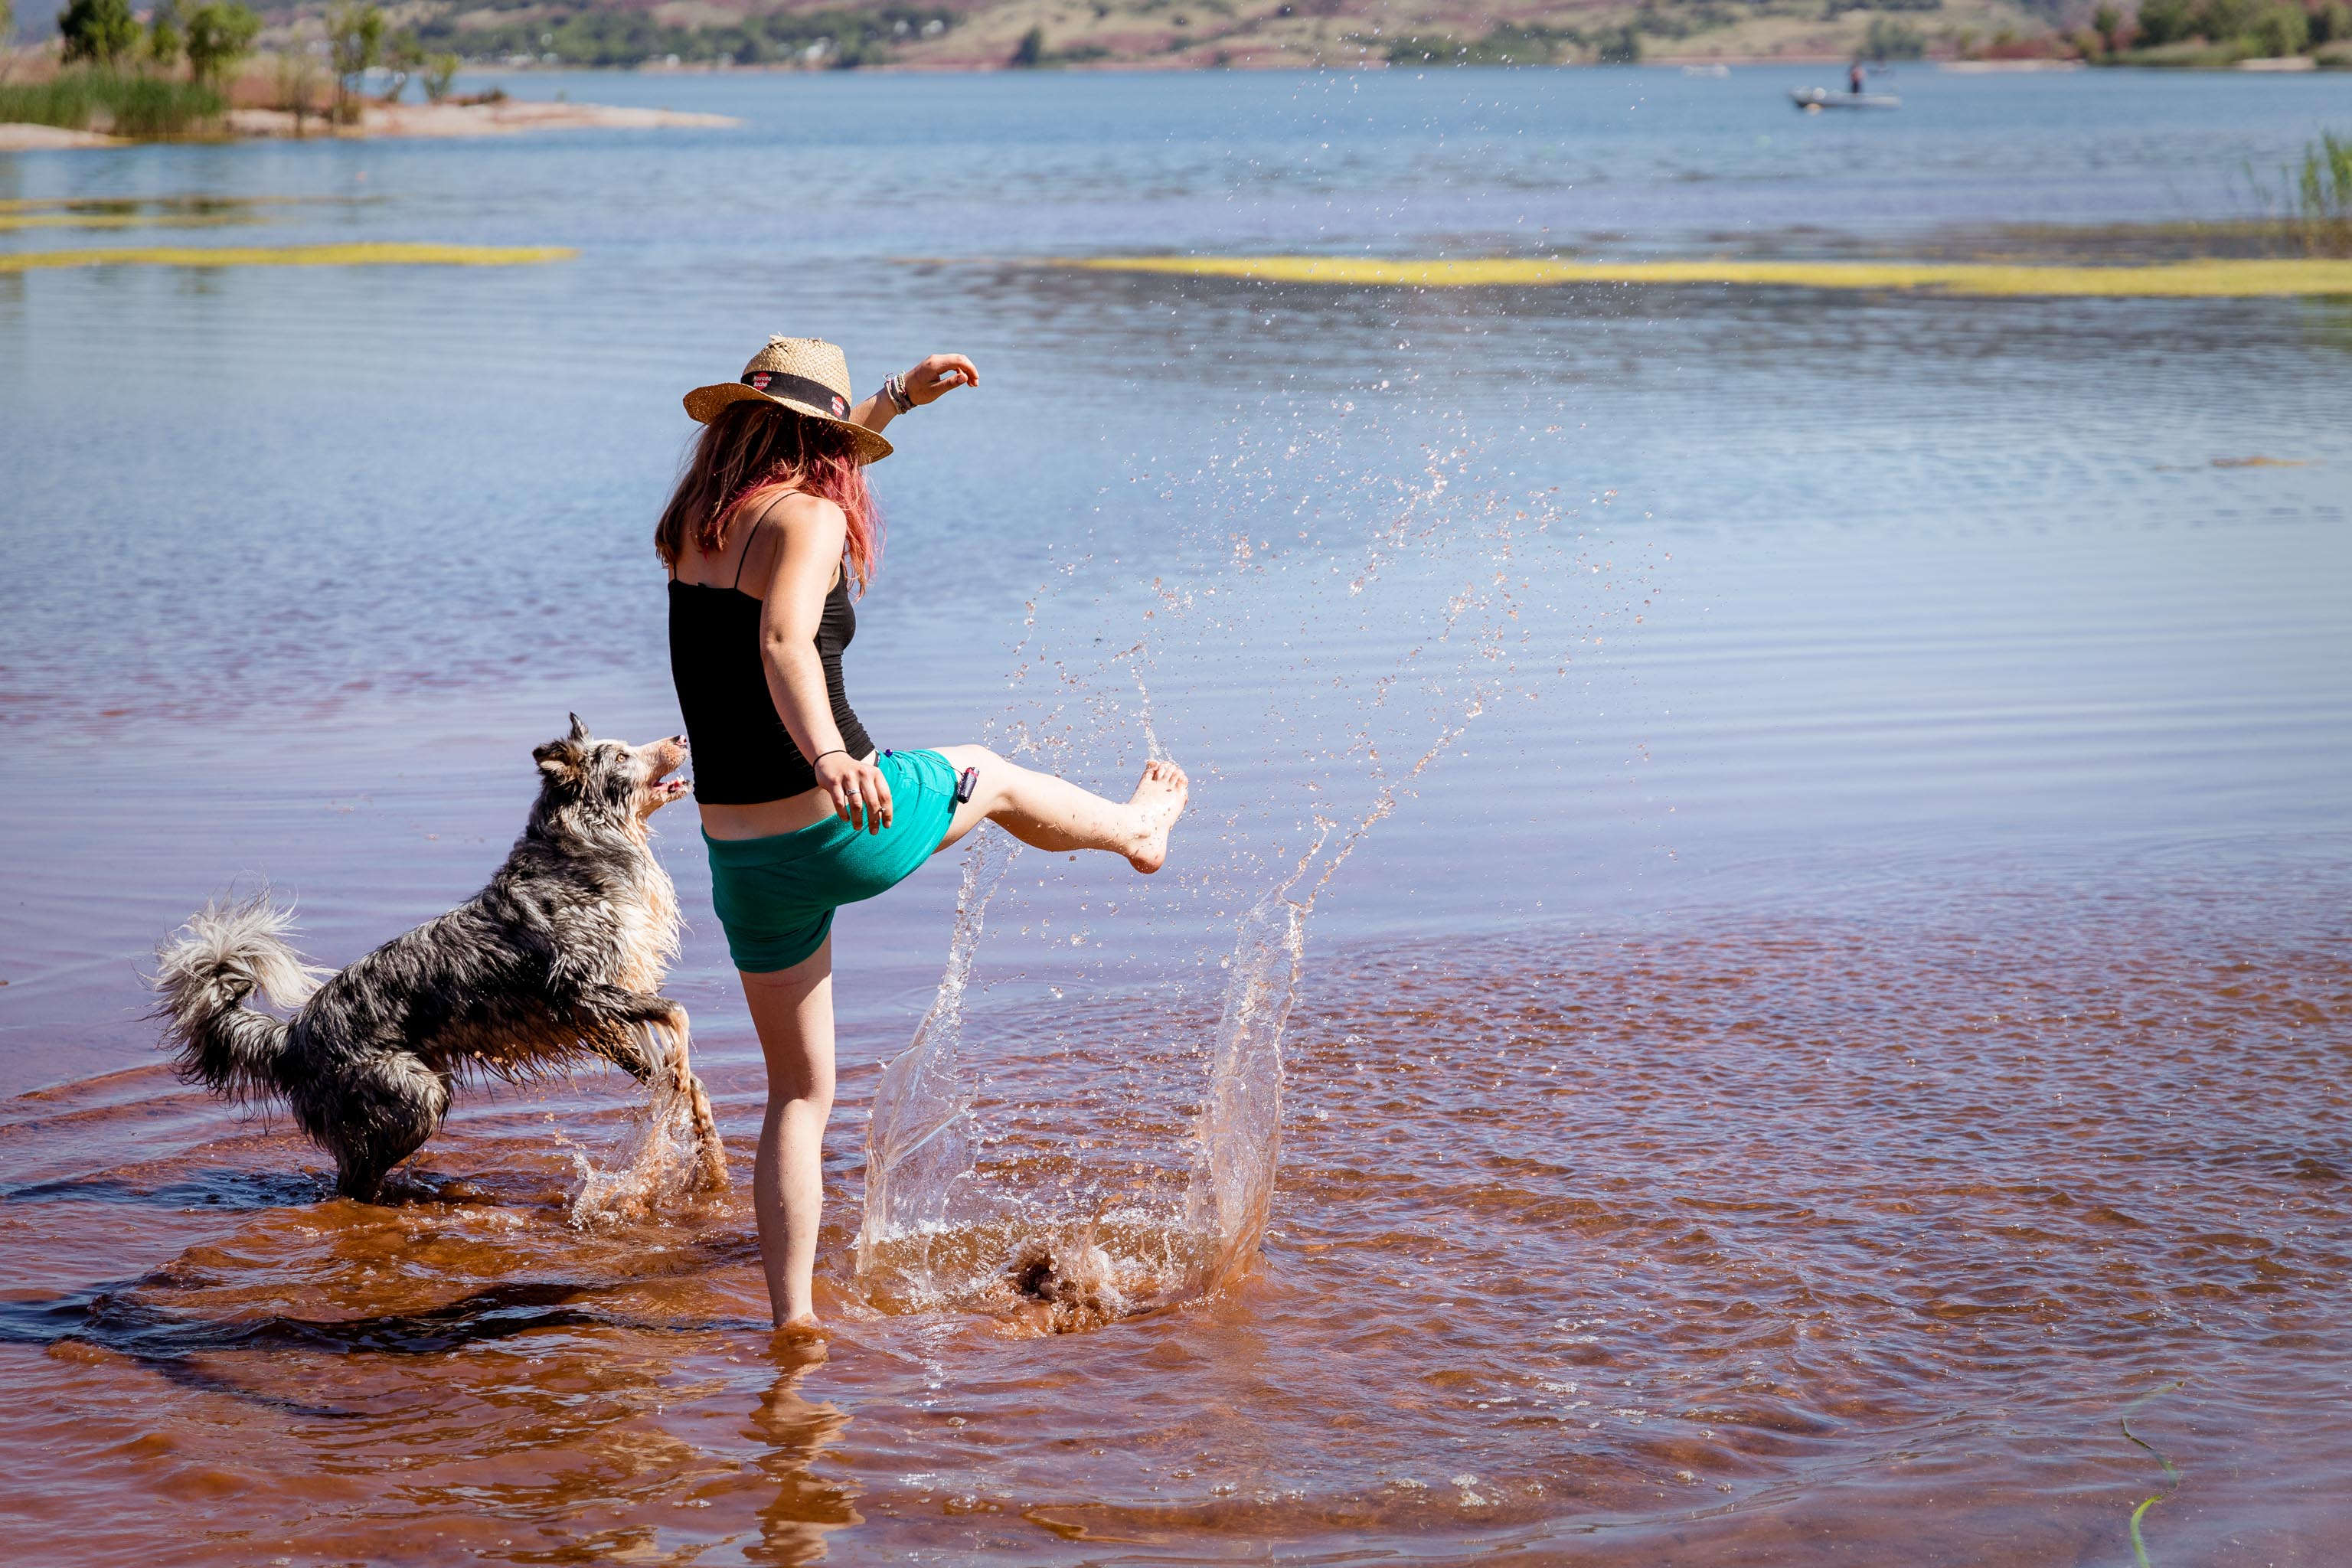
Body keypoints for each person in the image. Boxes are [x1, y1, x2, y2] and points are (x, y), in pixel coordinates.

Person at [658, 336, 1189, 1331]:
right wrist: (825, 756)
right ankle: (1136, 829)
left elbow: (790, 539)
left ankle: (794, 1322)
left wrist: (897, 398)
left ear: (740, 422)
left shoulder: (695, 525)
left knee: (798, 1097)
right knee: (990, 773)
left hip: (741, 855)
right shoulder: (811, 516)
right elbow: (781, 643)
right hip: (840, 814)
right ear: (822, 442)